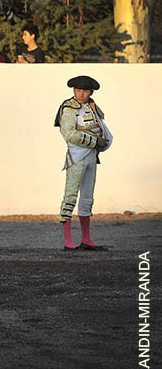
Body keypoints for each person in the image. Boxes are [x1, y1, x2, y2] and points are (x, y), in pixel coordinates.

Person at [55, 75, 112, 251]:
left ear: (91, 92)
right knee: (70, 196)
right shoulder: (69, 108)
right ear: (73, 90)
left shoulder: (92, 106)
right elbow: (69, 135)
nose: (81, 94)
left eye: (85, 91)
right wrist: (96, 142)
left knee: (87, 197)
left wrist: (103, 142)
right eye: (78, 90)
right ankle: (68, 241)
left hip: (91, 156)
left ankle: (86, 238)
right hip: (76, 157)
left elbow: (101, 128)